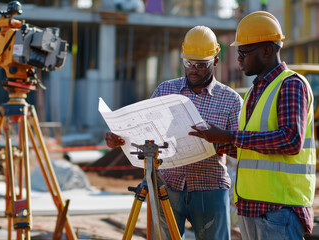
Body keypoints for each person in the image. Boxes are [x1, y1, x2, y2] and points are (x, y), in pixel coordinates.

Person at [105, 26, 243, 239]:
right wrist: (121, 138)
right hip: (167, 185)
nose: (193, 69)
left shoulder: (231, 100)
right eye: (188, 63)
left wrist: (217, 141)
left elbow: (241, 149)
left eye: (200, 64)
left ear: (215, 61)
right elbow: (145, 132)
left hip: (210, 187)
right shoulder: (165, 91)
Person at [189, 11, 316, 240]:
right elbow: (250, 149)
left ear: (266, 50)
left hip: (279, 209)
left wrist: (227, 136)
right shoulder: (254, 91)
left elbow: (290, 140)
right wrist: (214, 143)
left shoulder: (290, 85)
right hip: (252, 207)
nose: (239, 59)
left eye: (243, 52)